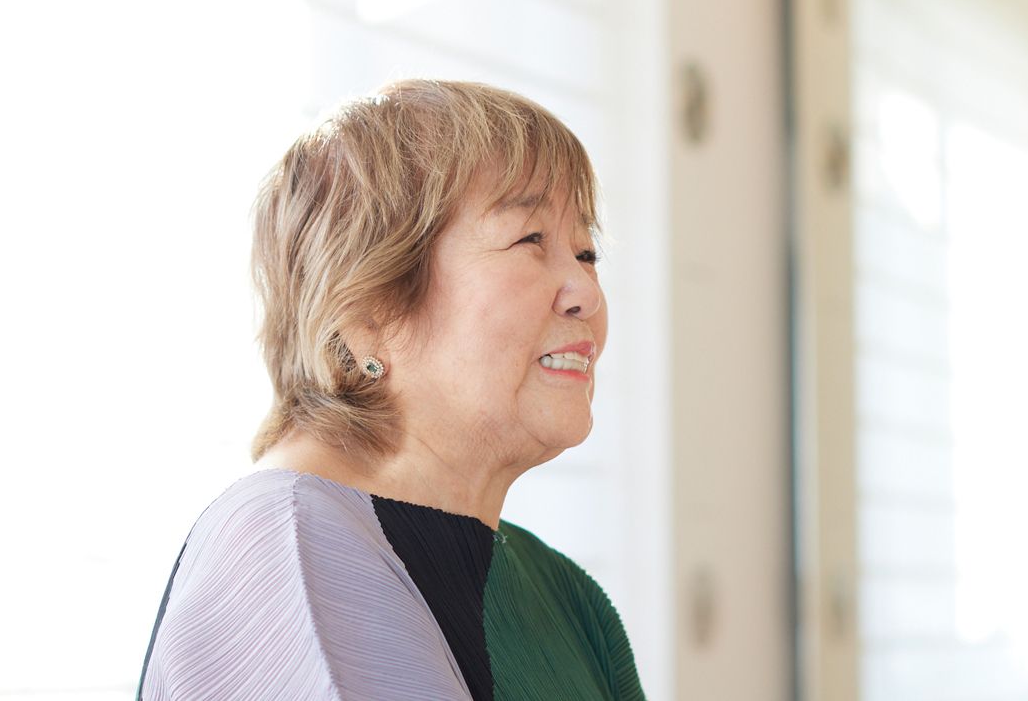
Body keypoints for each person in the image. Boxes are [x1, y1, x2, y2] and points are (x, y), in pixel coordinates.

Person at [136, 79, 646, 701]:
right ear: (370, 310)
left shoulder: (568, 599)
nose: (587, 293)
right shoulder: (285, 549)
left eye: (587, 253)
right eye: (529, 239)